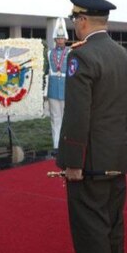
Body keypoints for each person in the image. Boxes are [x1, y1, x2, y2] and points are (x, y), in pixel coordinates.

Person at [57, 0, 127, 253]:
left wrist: (73, 163)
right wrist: (122, 140)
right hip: (116, 157)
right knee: (113, 226)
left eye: (75, 19)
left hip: (90, 162)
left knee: (91, 230)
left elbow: (78, 114)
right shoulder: (123, 55)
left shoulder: (81, 55)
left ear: (82, 21)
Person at [46, 18, 70, 154]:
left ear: (65, 39)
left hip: (66, 89)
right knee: (55, 118)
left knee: (67, 118)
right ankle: (56, 145)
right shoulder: (49, 53)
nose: (60, 40)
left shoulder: (71, 52)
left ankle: (67, 144)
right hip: (53, 90)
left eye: (62, 38)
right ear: (55, 39)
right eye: (58, 38)